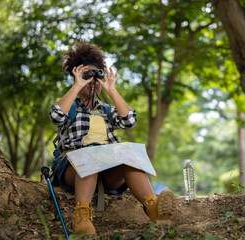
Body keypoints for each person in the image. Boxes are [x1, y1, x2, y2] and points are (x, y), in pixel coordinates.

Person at [49, 42, 176, 236]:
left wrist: (111, 90)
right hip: (73, 166)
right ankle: (82, 217)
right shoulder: (71, 106)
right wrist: (77, 85)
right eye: (87, 75)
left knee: (129, 155)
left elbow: (129, 120)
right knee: (89, 155)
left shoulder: (106, 110)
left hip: (106, 169)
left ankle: (153, 207)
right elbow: (56, 116)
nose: (92, 81)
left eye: (96, 75)